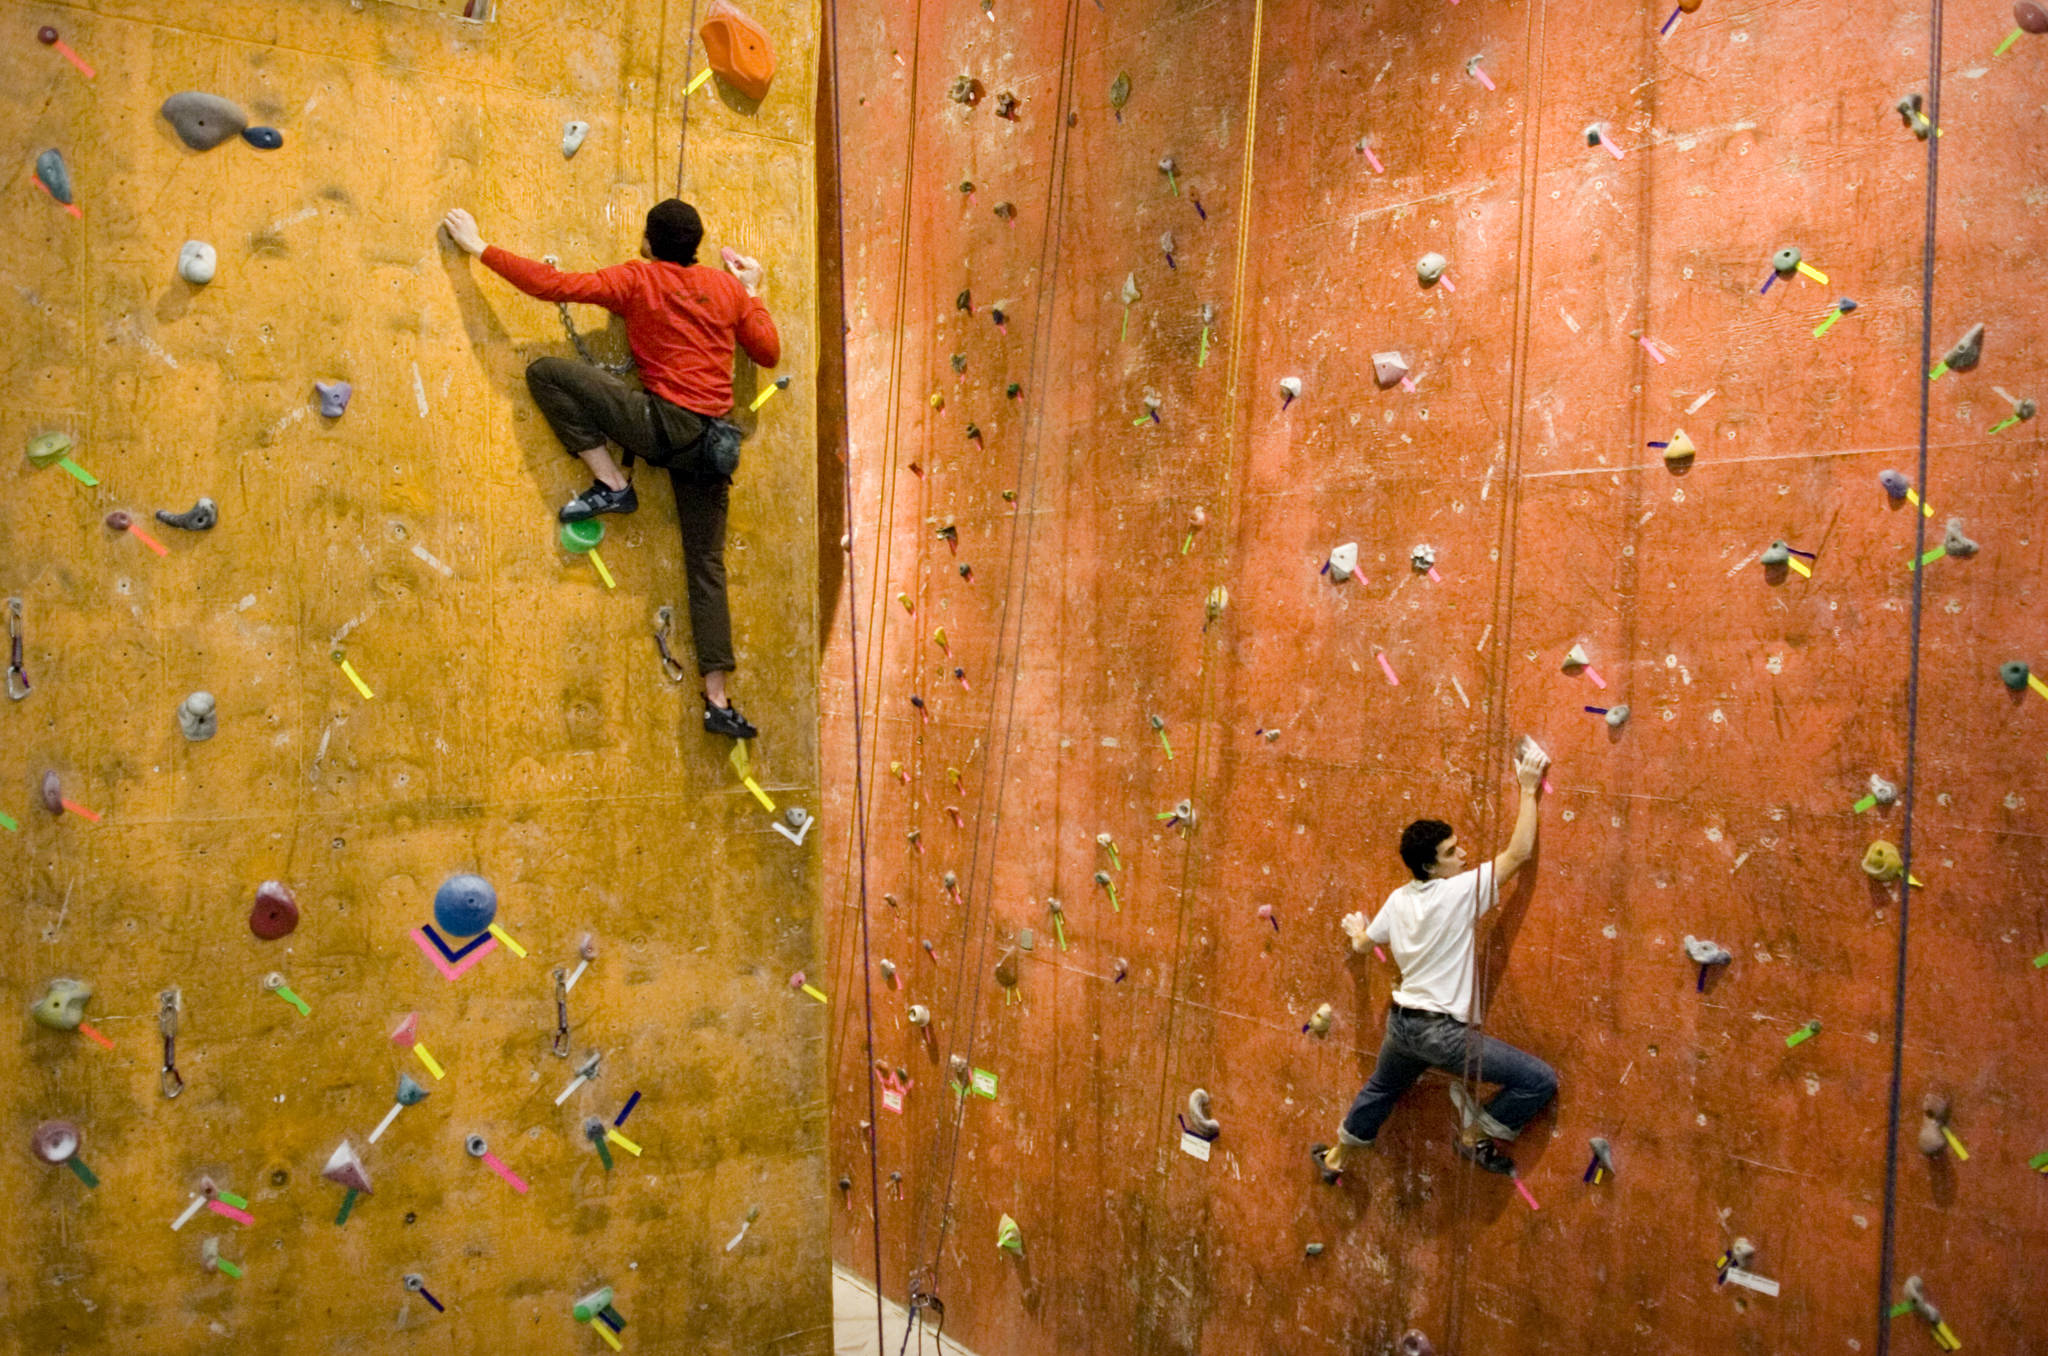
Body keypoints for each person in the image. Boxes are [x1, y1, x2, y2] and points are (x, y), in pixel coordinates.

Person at [439, 200, 779, 740]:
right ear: (695, 244)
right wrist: (754, 291)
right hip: (711, 449)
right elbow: (767, 351)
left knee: (546, 372)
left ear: (647, 238)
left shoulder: (637, 278)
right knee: (707, 568)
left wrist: (480, 247)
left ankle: (613, 484)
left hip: (661, 426)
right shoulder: (727, 288)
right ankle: (717, 701)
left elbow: (551, 285)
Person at [1314, 740, 1558, 1181]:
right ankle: (1475, 1129)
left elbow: (1366, 945)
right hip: (1440, 1034)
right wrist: (1527, 788)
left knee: (1381, 1088)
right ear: (1429, 867)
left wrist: (1356, 932)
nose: (1463, 856)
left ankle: (1337, 1158)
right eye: (1451, 853)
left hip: (1402, 1025)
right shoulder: (1457, 892)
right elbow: (1518, 855)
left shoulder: (1399, 898)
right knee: (1539, 1080)